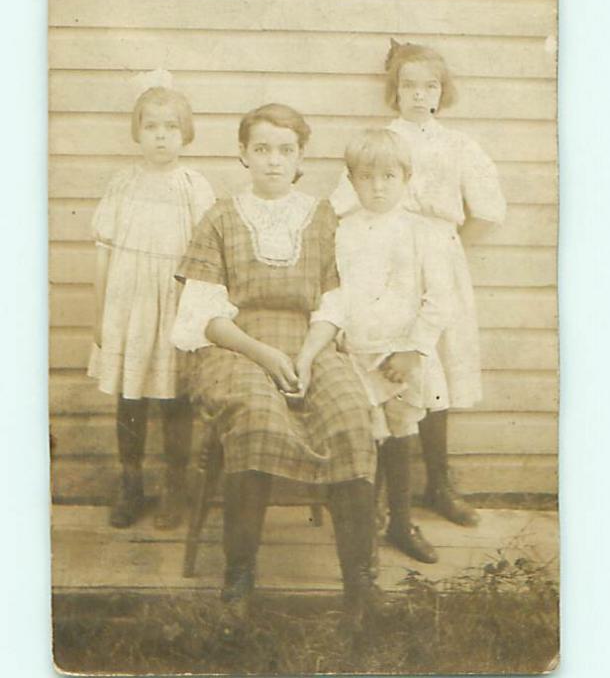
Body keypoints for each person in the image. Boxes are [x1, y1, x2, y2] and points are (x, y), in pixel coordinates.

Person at [171, 103, 379, 637]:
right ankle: (239, 580)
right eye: (261, 149)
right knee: (258, 420)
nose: (272, 161)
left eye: (285, 150)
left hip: (312, 343)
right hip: (237, 347)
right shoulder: (219, 216)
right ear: (242, 153)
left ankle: (360, 587)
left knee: (352, 417)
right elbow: (203, 315)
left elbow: (335, 301)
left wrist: (308, 356)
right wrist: (265, 354)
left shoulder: (323, 218)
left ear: (301, 157)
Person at [331, 41, 506, 527]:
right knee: (388, 375)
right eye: (408, 85)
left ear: (442, 92)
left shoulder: (459, 146)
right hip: (385, 264)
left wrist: (447, 249)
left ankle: (439, 484)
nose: (418, 95)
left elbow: (489, 211)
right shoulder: (382, 141)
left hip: (436, 266)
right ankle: (387, 494)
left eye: (429, 86)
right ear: (395, 91)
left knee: (434, 373)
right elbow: (342, 204)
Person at [88, 85, 215, 530]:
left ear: (186, 133)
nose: (161, 136)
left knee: (175, 397)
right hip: (128, 301)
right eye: (152, 126)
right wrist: (101, 312)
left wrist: (197, 315)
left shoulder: (193, 186)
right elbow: (104, 250)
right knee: (131, 393)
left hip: (176, 302)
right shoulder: (123, 183)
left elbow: (207, 255)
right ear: (137, 132)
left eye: (171, 127)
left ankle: (176, 487)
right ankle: (131, 482)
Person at [335, 129, 452, 564]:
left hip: (404, 358)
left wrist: (412, 350)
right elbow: (337, 293)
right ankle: (366, 526)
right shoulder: (343, 231)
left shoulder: (421, 233)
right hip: (358, 356)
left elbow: (440, 297)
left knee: (401, 435)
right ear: (351, 180)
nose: (378, 186)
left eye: (389, 176)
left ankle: (401, 523)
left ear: (406, 178)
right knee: (366, 438)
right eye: (367, 177)